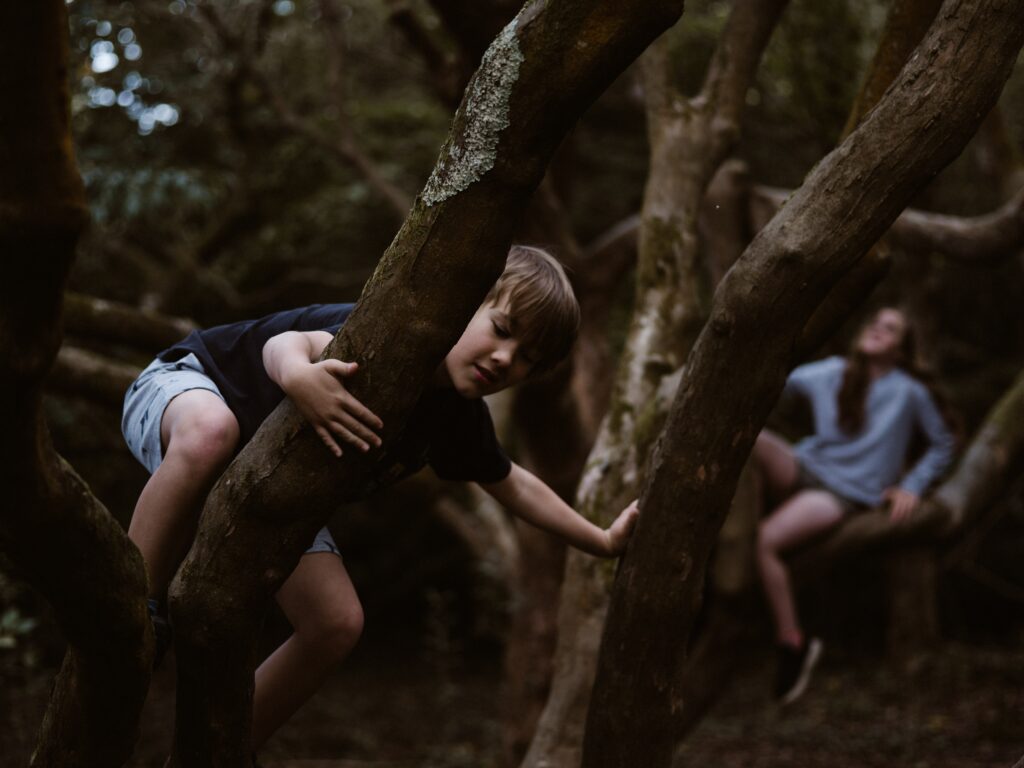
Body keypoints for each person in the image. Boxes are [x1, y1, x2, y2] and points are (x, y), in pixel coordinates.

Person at [122, 245, 639, 750]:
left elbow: (514, 483)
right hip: (185, 388)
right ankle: (133, 605)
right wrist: (301, 379)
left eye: (528, 358)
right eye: (502, 330)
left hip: (267, 489)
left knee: (336, 622)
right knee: (212, 431)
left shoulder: (457, 419)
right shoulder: (389, 334)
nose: (505, 358)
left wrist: (601, 540)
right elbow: (285, 346)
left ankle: (220, 750)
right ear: (463, 302)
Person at [752, 307, 955, 705]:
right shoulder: (832, 371)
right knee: (749, 438)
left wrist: (911, 485)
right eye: (875, 323)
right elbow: (773, 380)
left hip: (843, 493)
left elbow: (943, 442)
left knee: (764, 542)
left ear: (901, 348)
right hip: (805, 466)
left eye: (890, 328)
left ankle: (793, 642)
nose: (878, 330)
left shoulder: (908, 392)